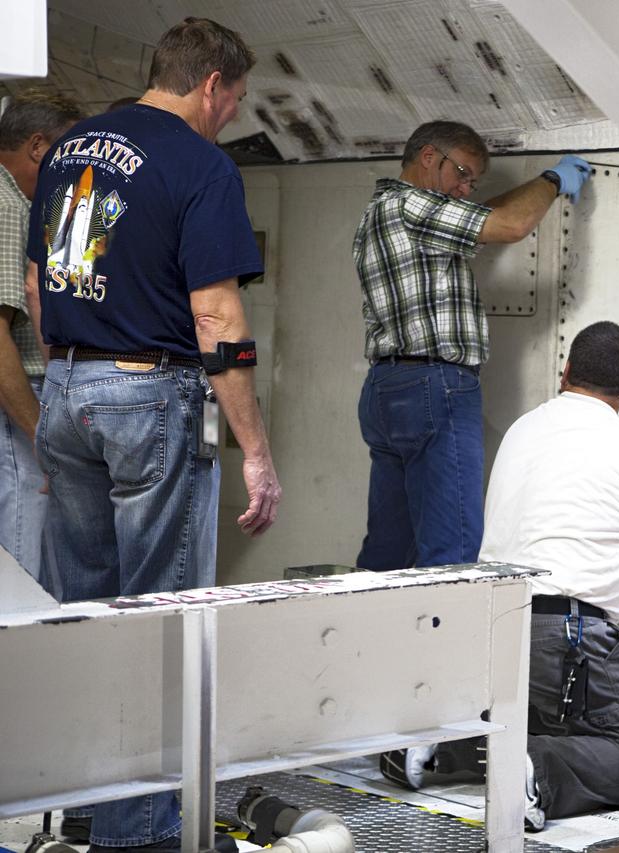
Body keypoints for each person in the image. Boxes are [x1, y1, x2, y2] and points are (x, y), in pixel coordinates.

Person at [24, 17, 280, 853]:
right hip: (146, 393)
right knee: (161, 622)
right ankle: (140, 837)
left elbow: (37, 282)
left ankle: (89, 811)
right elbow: (215, 314)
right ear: (212, 85)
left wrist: (71, 366)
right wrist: (258, 453)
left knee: (89, 616)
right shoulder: (199, 162)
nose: (229, 119)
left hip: (64, 386)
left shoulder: (67, 151)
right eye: (233, 103)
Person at [380, 320, 619, 830]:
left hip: (496, 630)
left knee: (532, 725)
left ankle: (441, 748)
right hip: (570, 642)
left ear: (565, 373)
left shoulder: (523, 429)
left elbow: (555, 526)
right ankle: (536, 769)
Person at [353, 120, 592, 571]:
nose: (465, 188)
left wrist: (497, 196)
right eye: (461, 173)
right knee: (454, 552)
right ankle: (448, 642)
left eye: (472, 181)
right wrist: (553, 180)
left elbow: (481, 216)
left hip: (387, 387)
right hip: (435, 385)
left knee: (389, 552)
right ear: (428, 157)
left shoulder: (382, 208)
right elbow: (512, 223)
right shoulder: (414, 207)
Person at [0, 92, 83, 594]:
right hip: (16, 409)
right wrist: (39, 437)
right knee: (24, 567)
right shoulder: (10, 206)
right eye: (64, 152)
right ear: (37, 147)